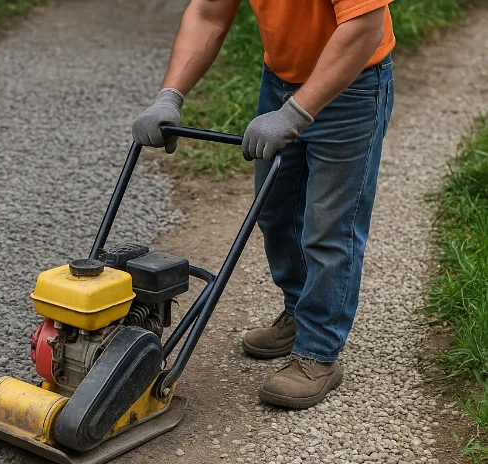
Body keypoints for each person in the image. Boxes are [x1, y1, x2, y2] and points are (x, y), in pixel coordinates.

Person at [133, 0, 395, 409]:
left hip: (354, 87)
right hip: (280, 81)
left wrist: (295, 114)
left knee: (330, 228)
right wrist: (170, 96)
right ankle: (298, 313)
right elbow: (208, 14)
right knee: (274, 213)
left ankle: (318, 353)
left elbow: (365, 28)